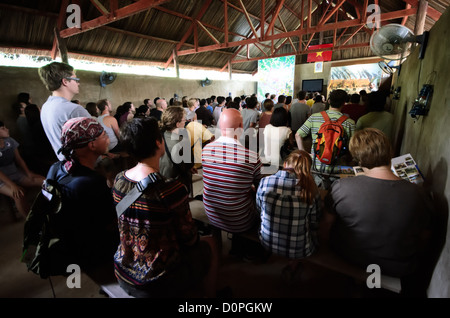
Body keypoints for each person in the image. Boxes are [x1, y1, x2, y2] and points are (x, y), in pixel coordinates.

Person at [112, 117, 218, 298]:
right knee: (209, 243)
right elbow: (190, 239)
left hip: (123, 270)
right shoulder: (170, 189)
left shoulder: (119, 179)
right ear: (158, 143)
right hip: (156, 279)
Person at [323, 128, 432, 292]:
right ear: (390, 152)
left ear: (357, 159)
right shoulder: (420, 194)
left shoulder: (341, 188)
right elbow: (424, 238)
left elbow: (326, 226)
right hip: (400, 268)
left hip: (348, 260)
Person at [47, 117, 118, 279]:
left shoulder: (56, 168)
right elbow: (110, 222)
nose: (108, 139)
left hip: (69, 243)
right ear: (92, 145)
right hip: (91, 250)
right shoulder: (91, 182)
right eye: (103, 136)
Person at [257, 150, 321, 279]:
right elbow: (315, 221)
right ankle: (293, 265)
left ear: (285, 164)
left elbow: (260, 209)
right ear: (307, 169)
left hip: (266, 241)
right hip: (300, 248)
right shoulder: (312, 190)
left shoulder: (265, 182)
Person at [202, 108, 262, 234]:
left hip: (212, 214)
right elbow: (260, 188)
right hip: (240, 221)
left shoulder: (206, 149)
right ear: (241, 126)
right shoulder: (250, 156)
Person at [38, 62, 91, 161]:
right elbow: (97, 142)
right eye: (76, 79)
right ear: (65, 81)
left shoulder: (45, 107)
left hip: (65, 164)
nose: (78, 83)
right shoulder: (73, 110)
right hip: (84, 165)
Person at [296, 89, 355, 173]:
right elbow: (353, 147)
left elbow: (298, 135)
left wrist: (304, 153)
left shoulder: (314, 117)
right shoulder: (350, 123)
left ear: (329, 101)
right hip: (338, 168)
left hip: (316, 166)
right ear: (344, 103)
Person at [0, 121, 45, 218]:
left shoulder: (10, 141)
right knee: (19, 195)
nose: (7, 129)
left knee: (44, 181)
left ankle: (52, 208)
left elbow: (19, 159)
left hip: (15, 172)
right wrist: (12, 185)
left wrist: (28, 173)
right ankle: (31, 221)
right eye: (3, 128)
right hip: (2, 179)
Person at [159, 106, 196, 194]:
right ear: (177, 124)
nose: (186, 121)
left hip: (161, 178)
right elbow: (189, 163)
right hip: (176, 182)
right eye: (184, 119)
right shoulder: (181, 140)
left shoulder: (160, 136)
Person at [24, 104, 57, 176]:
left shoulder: (31, 125)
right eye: (39, 109)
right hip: (48, 153)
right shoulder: (41, 124)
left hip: (40, 152)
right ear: (36, 112)